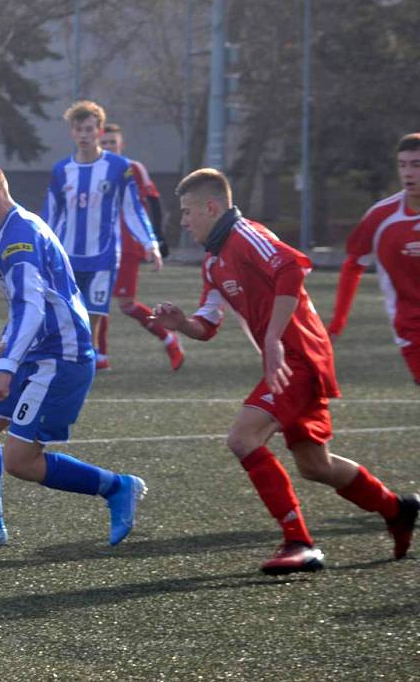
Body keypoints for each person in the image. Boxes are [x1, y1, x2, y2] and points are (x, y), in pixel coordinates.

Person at [151, 168, 418, 575]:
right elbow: (207, 326)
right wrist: (182, 324)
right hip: (288, 359)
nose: (183, 222)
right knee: (315, 465)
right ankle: (396, 509)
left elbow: (291, 267)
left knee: (243, 437)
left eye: (187, 212)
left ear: (211, 207)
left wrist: (273, 339)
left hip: (299, 357)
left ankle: (299, 542)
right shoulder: (213, 263)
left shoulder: (247, 235)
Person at [0, 154, 147, 548]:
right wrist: (9, 336)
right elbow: (35, 299)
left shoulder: (18, 237)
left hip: (58, 359)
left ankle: (117, 487)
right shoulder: (20, 226)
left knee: (20, 460)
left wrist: (6, 365)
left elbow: (33, 306)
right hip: (41, 353)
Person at [43, 101, 162, 371]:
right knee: (67, 314)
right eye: (78, 129)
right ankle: (76, 357)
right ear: (71, 133)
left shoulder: (119, 167)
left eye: (88, 129)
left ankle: (88, 357)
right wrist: (42, 250)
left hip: (104, 256)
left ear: (98, 131)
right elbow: (51, 215)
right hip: (67, 256)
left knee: (94, 314)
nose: (83, 134)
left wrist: (150, 243)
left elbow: (133, 209)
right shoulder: (61, 170)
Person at [328, 132, 420, 385]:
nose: (408, 173)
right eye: (403, 165)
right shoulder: (381, 217)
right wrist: (337, 323)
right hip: (412, 328)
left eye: (416, 165)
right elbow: (353, 265)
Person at [97, 122, 183, 371]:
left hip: (127, 245)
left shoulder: (133, 168)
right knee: (96, 303)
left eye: (113, 142)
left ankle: (169, 338)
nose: (109, 146)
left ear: (121, 144)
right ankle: (100, 358)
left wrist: (156, 238)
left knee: (126, 304)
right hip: (98, 246)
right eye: (104, 143)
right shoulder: (93, 169)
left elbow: (153, 201)